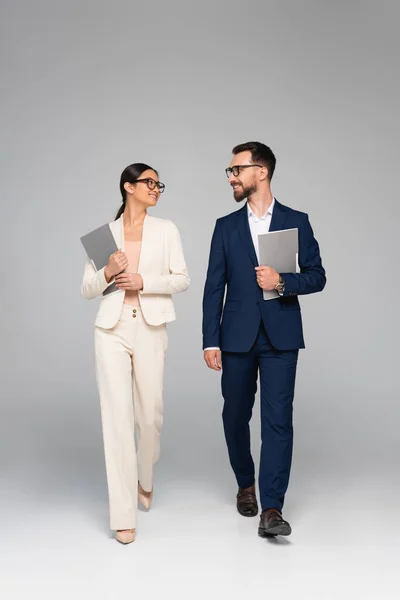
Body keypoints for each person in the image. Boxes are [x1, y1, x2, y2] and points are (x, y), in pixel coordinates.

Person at [202, 142, 326, 537]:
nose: (231, 177)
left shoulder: (297, 220)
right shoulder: (225, 226)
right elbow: (212, 287)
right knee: (234, 416)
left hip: (281, 336)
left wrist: (282, 282)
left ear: (262, 172)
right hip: (235, 336)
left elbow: (317, 275)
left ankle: (271, 508)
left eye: (236, 169)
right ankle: (245, 483)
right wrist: (210, 340)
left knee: (278, 421)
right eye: (230, 171)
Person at [81, 163, 190, 544]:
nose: (156, 188)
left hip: (150, 326)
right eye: (149, 182)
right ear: (129, 187)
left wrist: (144, 281)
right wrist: (108, 270)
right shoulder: (103, 236)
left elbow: (182, 278)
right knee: (116, 421)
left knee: (149, 418)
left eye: (159, 183)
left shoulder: (166, 230)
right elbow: (88, 289)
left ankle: (146, 475)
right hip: (110, 330)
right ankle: (123, 515)